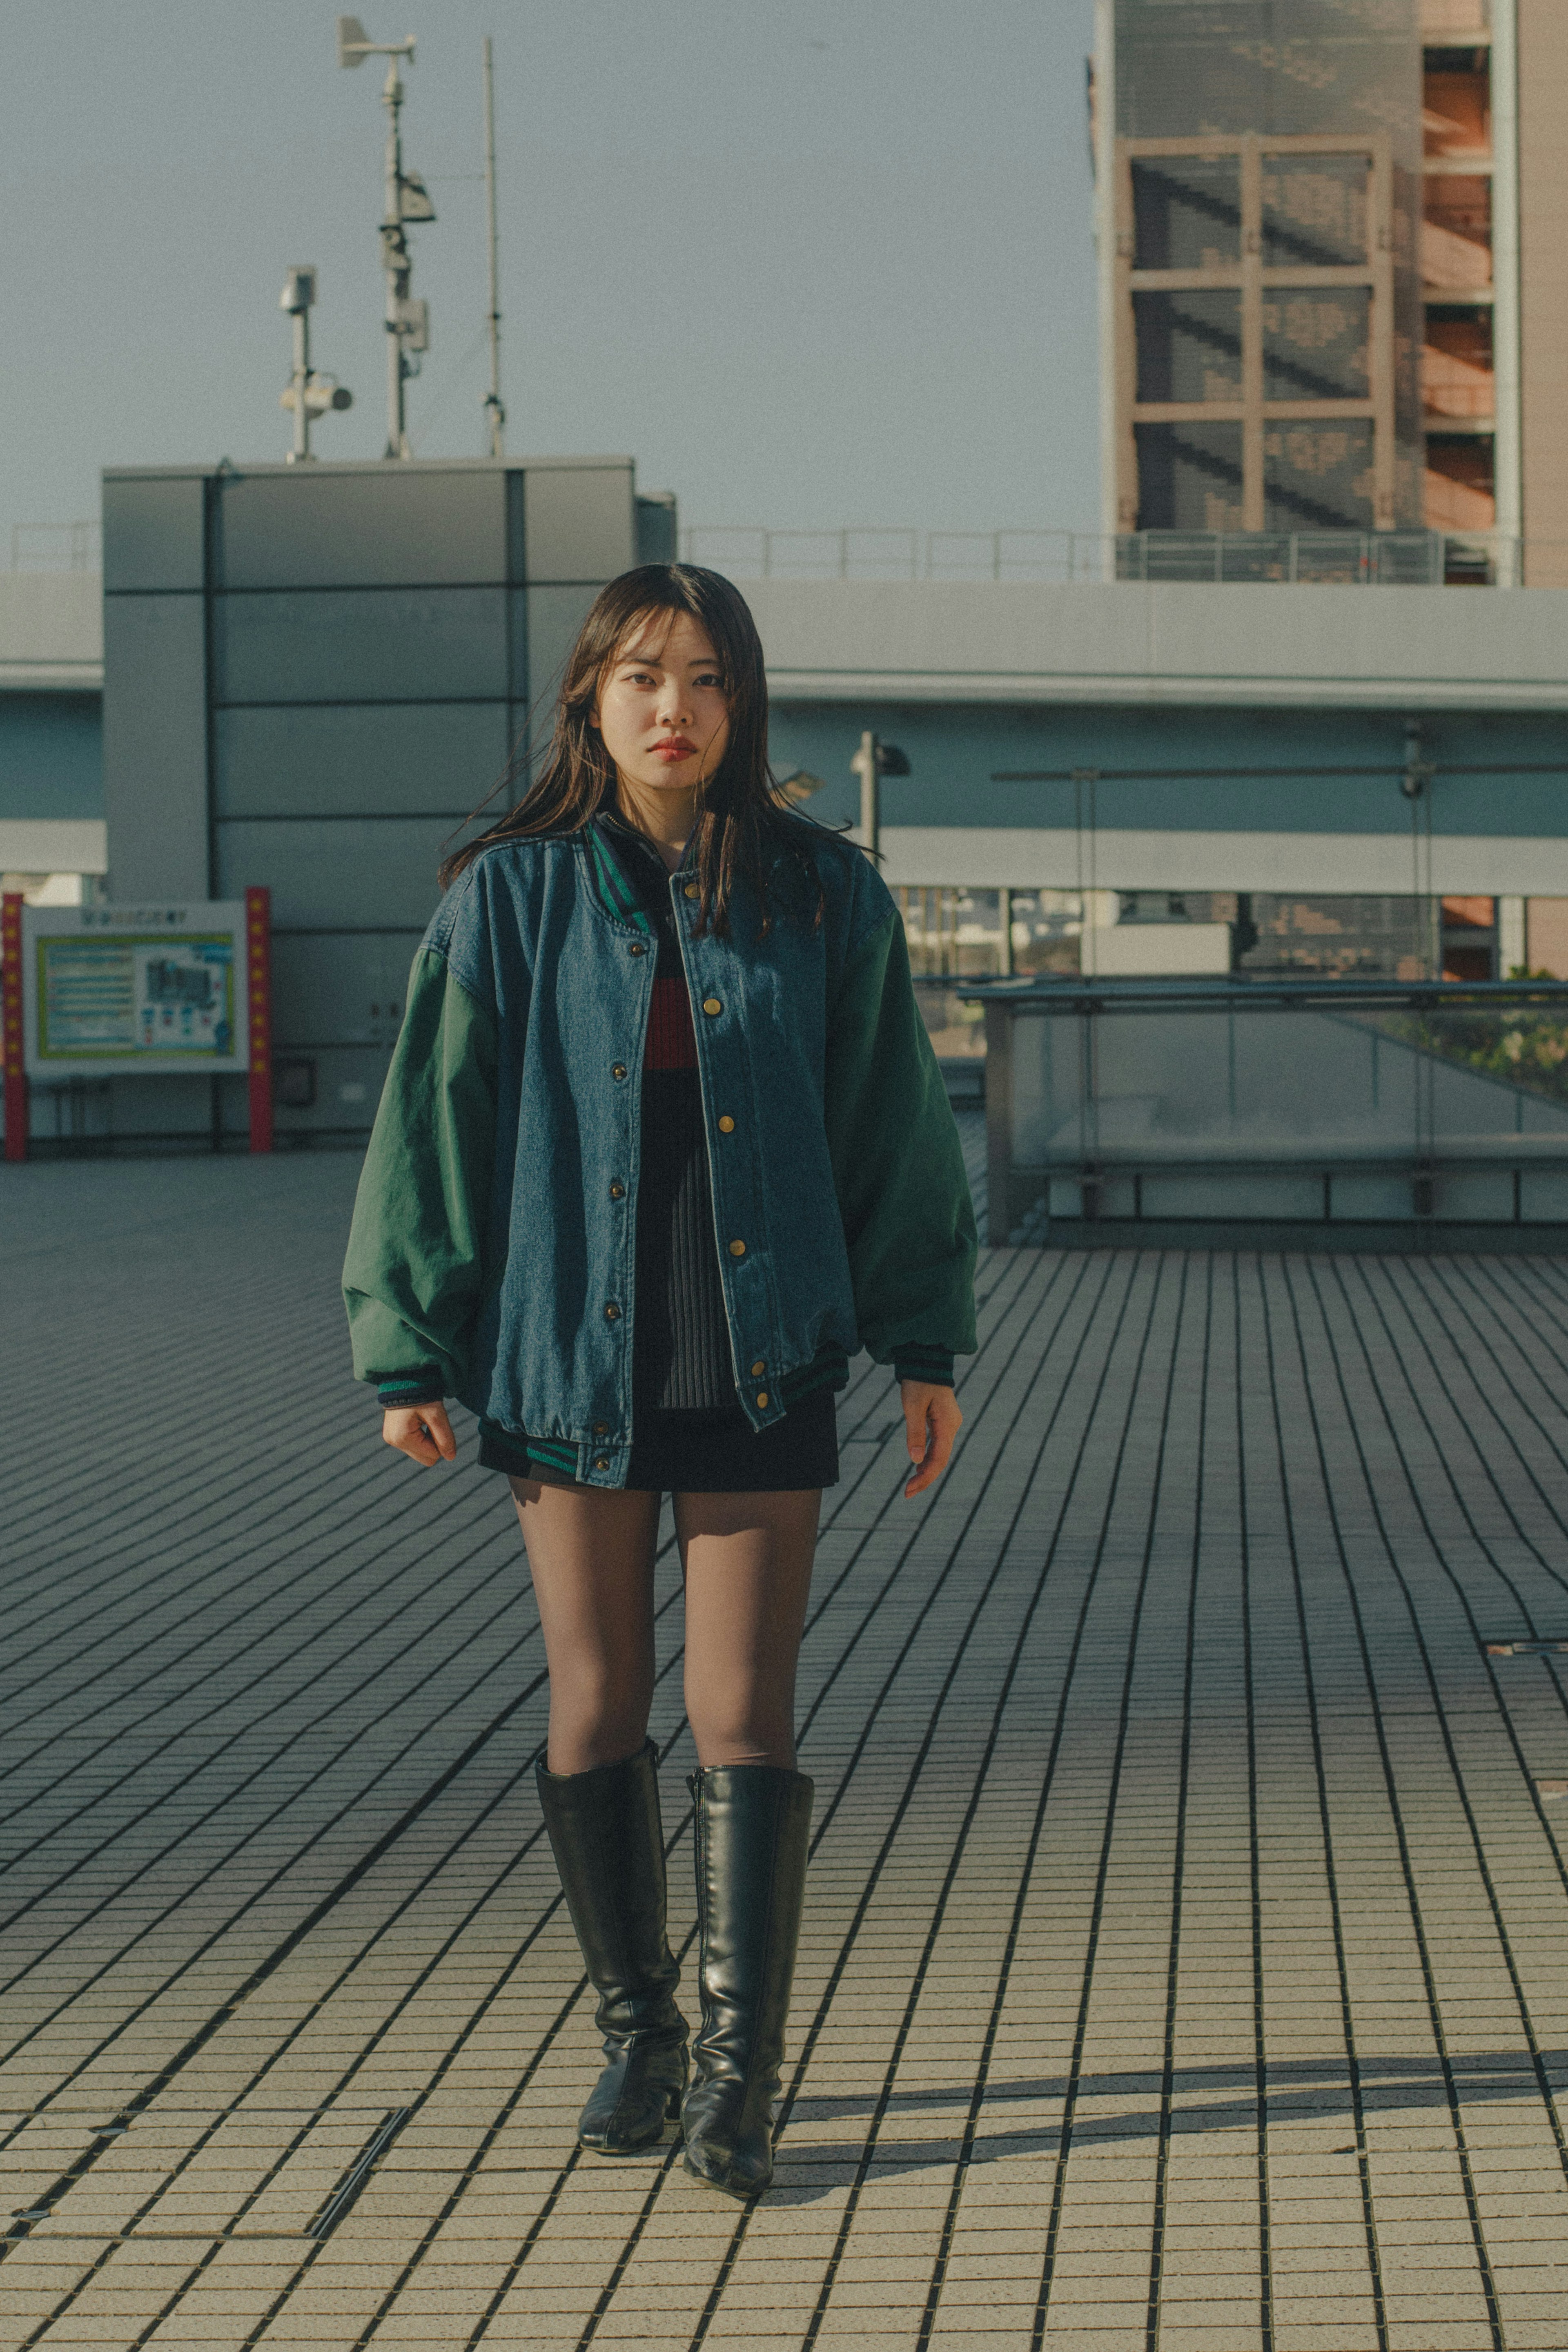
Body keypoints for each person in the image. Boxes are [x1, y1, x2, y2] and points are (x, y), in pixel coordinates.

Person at [342, 563, 977, 2200]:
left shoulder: (825, 895)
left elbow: (891, 1123)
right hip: (571, 1351)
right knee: (593, 1701)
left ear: (742, 700)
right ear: (589, 702)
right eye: (639, 679)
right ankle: (641, 2028)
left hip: (762, 1344)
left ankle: (745, 2076)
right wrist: (408, 1341)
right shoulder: (509, 897)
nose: (673, 710)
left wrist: (925, 1340)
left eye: (703, 678)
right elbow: (436, 1127)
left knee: (741, 1713)